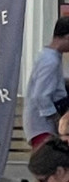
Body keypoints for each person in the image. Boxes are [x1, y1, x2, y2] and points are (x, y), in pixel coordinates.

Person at [25, 17, 69, 148]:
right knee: (50, 162)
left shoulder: (47, 56)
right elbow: (40, 95)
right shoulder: (51, 61)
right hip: (43, 126)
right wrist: (57, 119)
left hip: (39, 125)